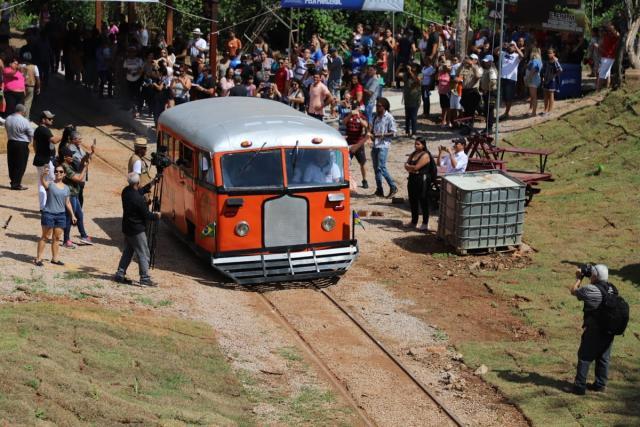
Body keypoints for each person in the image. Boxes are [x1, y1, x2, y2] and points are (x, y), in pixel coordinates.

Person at [569, 264, 615, 395]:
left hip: (595, 329)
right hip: (610, 329)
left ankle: (579, 387)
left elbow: (574, 290)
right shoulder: (611, 288)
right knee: (603, 357)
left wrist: (579, 277)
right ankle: (600, 385)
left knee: (584, 356)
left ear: (594, 276)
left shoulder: (591, 290)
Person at [114, 172, 160, 286]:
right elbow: (147, 215)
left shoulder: (126, 191)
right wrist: (158, 215)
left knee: (128, 251)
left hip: (127, 227)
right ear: (137, 182)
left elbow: (140, 191)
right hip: (137, 230)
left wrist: (152, 183)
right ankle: (144, 278)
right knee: (144, 253)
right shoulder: (139, 200)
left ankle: (120, 273)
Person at [34, 165, 76, 267]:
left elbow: (67, 203)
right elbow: (42, 182)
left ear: (64, 174)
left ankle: (55, 259)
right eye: (56, 171)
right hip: (48, 214)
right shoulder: (50, 184)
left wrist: (73, 215)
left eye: (61, 172)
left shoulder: (66, 188)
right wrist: (43, 175)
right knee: (45, 236)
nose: (58, 173)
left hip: (61, 215)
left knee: (57, 237)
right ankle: (38, 258)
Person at [404, 137, 437, 231]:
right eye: (415, 144)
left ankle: (425, 223)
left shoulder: (425, 155)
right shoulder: (413, 154)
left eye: (418, 144)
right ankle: (414, 221)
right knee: (412, 200)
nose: (416, 145)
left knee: (423, 201)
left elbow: (416, 167)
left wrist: (411, 168)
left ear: (423, 145)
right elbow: (406, 166)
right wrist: (411, 168)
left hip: (422, 180)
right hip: (412, 179)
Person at [61, 146, 91, 248]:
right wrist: (86, 168)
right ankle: (66, 240)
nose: (72, 157)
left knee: (79, 215)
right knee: (69, 217)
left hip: (74, 194)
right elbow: (78, 178)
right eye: (70, 156)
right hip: (70, 195)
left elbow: (80, 165)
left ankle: (83, 235)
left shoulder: (70, 164)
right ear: (65, 157)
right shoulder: (65, 167)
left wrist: (86, 157)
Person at [33, 110, 61, 210]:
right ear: (43, 120)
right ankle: (50, 206)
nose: (52, 120)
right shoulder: (44, 130)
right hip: (46, 161)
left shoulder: (37, 130)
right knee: (51, 182)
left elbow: (34, 144)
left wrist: (39, 153)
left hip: (40, 159)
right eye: (49, 119)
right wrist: (64, 135)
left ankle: (43, 207)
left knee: (41, 183)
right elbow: (54, 140)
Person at [370, 97, 398, 198]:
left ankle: (393, 186)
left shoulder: (389, 117)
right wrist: (371, 135)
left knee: (381, 167)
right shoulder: (375, 117)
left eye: (379, 106)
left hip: (383, 145)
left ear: (384, 106)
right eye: (376, 106)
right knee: (376, 169)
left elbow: (394, 132)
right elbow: (372, 130)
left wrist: (382, 135)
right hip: (375, 145)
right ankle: (379, 189)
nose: (377, 108)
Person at [5, 104, 34, 190]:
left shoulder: (8, 118)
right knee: (20, 164)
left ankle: (13, 181)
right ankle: (16, 184)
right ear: (22, 111)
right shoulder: (24, 121)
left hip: (11, 142)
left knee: (11, 163)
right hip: (21, 144)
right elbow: (31, 133)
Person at [343, 100, 369, 189]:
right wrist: (350, 114)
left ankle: (364, 180)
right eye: (353, 107)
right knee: (346, 163)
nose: (354, 109)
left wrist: (359, 117)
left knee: (362, 163)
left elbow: (366, 125)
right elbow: (344, 122)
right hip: (349, 143)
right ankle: (345, 179)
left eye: (355, 107)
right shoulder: (348, 115)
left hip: (358, 143)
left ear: (358, 107)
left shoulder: (362, 116)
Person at [499, 41, 524, 120]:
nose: (511, 47)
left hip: (511, 79)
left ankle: (507, 113)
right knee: (504, 97)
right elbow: (495, 51)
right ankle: (506, 112)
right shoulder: (504, 53)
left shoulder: (516, 55)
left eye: (512, 46)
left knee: (509, 97)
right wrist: (502, 45)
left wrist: (516, 47)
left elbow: (522, 56)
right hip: (503, 77)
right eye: (510, 45)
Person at [396, 63, 421, 137]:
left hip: (415, 99)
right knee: (407, 117)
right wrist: (399, 67)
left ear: (417, 68)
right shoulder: (406, 75)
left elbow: (418, 81)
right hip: (407, 99)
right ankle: (407, 131)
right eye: (411, 66)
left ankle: (414, 132)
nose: (412, 67)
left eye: (414, 66)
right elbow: (397, 75)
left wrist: (410, 72)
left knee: (413, 116)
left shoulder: (420, 74)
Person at [596, 23, 620, 91]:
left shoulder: (614, 35)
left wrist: (611, 28)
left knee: (601, 74)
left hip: (608, 57)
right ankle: (606, 88)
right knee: (607, 74)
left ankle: (598, 90)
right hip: (606, 57)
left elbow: (618, 35)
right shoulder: (606, 35)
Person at [479, 55, 498, 134]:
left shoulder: (491, 70)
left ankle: (489, 128)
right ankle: (488, 127)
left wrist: (487, 89)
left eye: (487, 62)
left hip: (491, 92)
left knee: (489, 110)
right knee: (487, 110)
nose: (485, 63)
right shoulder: (487, 69)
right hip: (487, 92)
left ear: (491, 62)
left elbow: (493, 81)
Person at [541, 48, 562, 117]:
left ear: (554, 54)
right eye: (548, 53)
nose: (549, 54)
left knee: (551, 95)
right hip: (546, 80)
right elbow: (543, 70)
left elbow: (560, 70)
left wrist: (554, 76)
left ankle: (550, 110)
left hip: (551, 81)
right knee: (545, 95)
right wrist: (543, 77)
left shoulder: (555, 62)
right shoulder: (546, 62)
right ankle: (545, 109)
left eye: (551, 53)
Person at [21, 52, 39, 118]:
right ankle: (25, 118)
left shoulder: (20, 66)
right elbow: (37, 79)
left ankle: (19, 116)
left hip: (21, 86)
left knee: (22, 102)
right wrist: (38, 88)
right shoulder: (35, 67)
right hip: (30, 86)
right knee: (27, 103)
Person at [525, 48, 543, 116]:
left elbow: (534, 69)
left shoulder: (535, 60)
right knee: (533, 96)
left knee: (534, 96)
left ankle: (534, 112)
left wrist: (528, 78)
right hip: (534, 79)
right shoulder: (538, 60)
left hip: (533, 79)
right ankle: (532, 110)